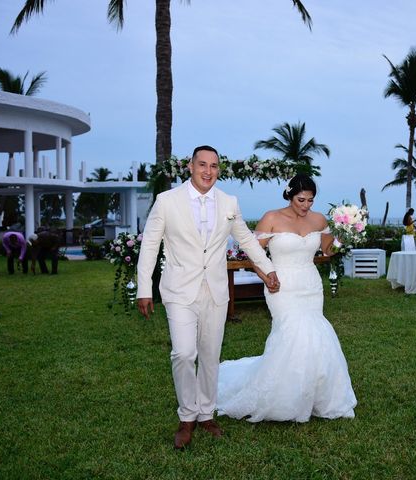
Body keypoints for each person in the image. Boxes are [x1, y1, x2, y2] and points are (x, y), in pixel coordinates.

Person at [136, 145, 280, 450]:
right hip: (179, 290)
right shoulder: (166, 201)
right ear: (190, 166)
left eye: (214, 166)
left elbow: (246, 240)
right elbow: (149, 246)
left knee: (210, 355)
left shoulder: (229, 202)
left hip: (215, 290)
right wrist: (144, 289)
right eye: (202, 164)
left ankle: (205, 413)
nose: (208, 171)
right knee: (184, 353)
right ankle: (187, 416)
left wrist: (267, 270)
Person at [217, 174, 357, 423]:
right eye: (301, 199)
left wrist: (343, 236)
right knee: (292, 334)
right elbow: (253, 254)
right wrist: (266, 276)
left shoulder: (318, 219)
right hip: (280, 285)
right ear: (289, 195)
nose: (306, 205)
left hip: (310, 285)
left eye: (311, 200)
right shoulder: (272, 218)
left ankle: (314, 395)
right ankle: (283, 398)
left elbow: (327, 251)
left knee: (315, 335)